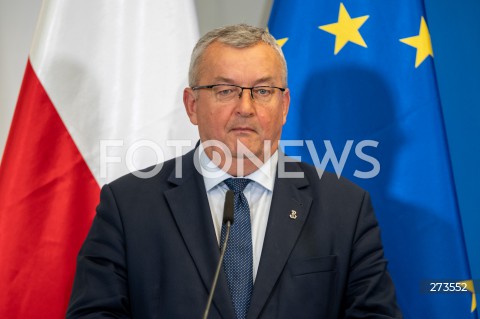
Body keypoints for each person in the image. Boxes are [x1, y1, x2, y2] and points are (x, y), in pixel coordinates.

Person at [67, 24, 401, 318]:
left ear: (284, 107)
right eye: (225, 90)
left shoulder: (345, 208)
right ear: (192, 105)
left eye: (263, 91)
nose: (245, 108)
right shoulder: (128, 205)